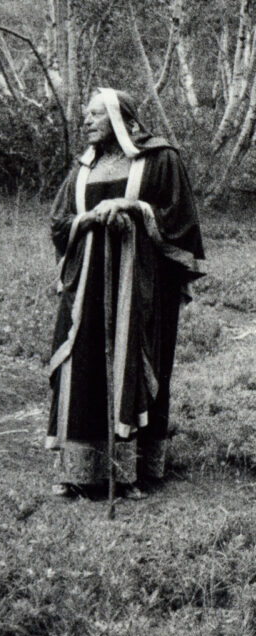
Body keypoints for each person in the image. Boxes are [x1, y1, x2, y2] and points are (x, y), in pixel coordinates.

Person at [46, 88, 205, 499]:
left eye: (95, 114)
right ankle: (78, 470)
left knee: (132, 362)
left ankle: (131, 469)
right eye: (85, 114)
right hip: (86, 285)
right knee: (79, 363)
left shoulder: (160, 159)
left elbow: (181, 219)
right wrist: (88, 220)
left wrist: (135, 211)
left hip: (141, 287)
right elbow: (59, 222)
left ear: (121, 117)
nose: (86, 121)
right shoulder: (83, 168)